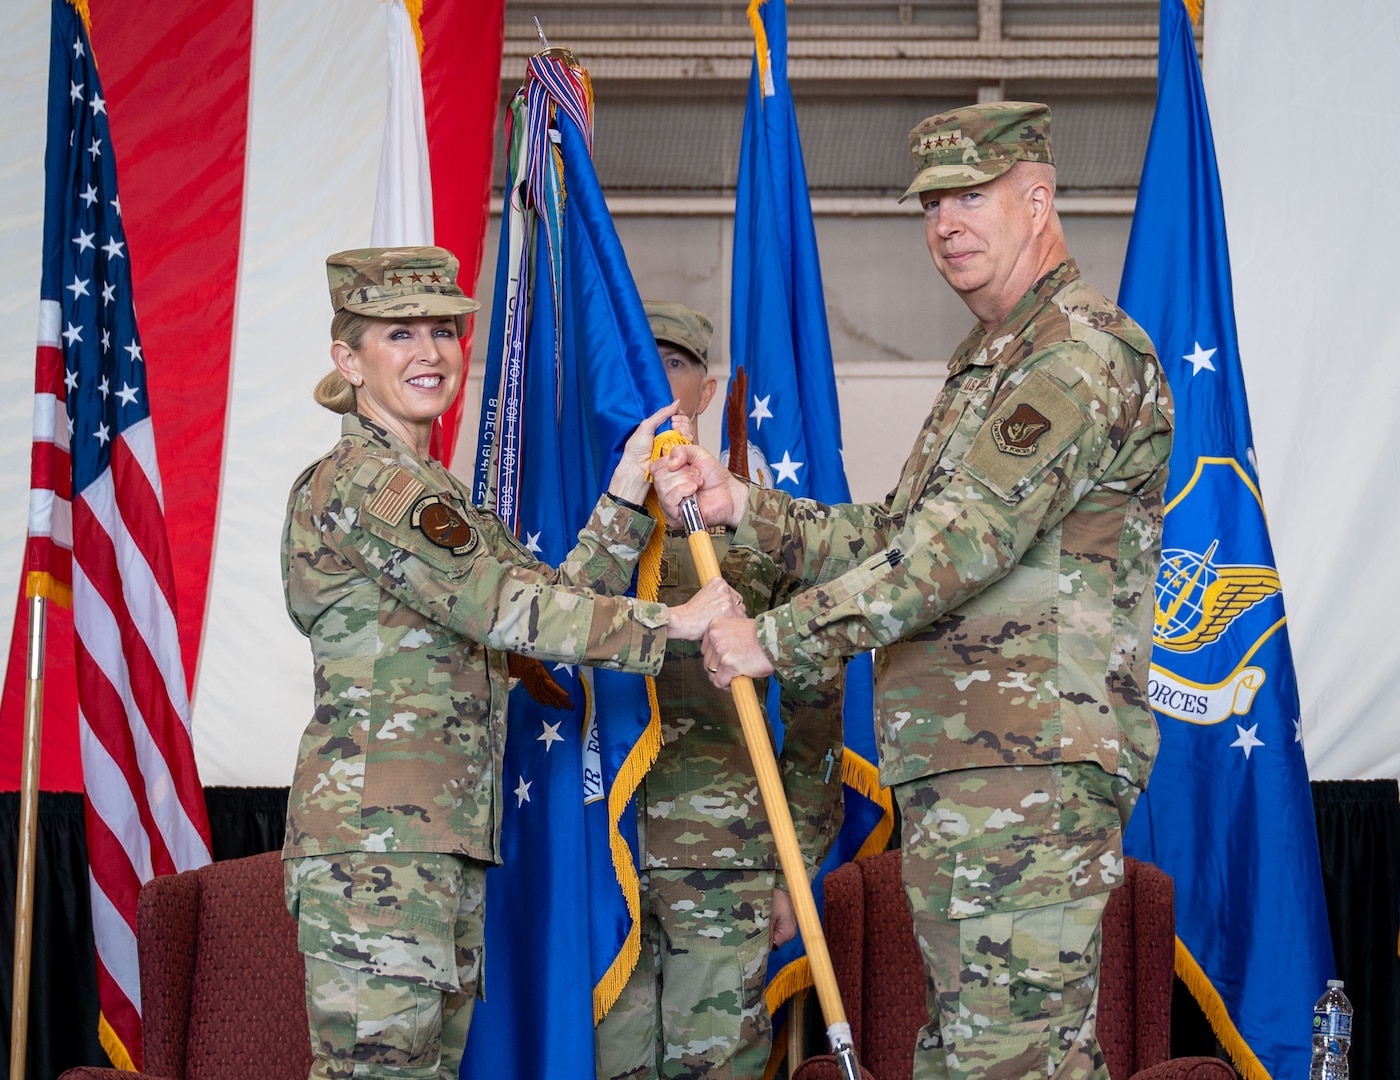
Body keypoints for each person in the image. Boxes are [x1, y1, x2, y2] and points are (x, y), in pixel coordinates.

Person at [655, 103, 1174, 1079]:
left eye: (970, 196)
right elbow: (898, 532)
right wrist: (742, 508)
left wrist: (782, 637)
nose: (944, 224)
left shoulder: (1075, 354)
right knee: (962, 1057)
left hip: (1027, 773)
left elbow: (960, 541)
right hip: (967, 768)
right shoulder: (990, 362)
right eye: (930, 204)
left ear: (1038, 197)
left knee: (1011, 1063)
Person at [280, 247, 741, 1080]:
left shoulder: (438, 496)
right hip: (380, 845)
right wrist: (673, 619)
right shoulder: (370, 485)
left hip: (437, 840)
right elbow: (503, 607)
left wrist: (626, 493)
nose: (430, 353)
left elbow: (547, 599)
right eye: (399, 334)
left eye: (444, 331)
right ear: (349, 359)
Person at [593, 302, 845, 1080]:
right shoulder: (591, 523)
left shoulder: (754, 530)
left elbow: (815, 710)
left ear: (704, 391)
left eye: (670, 364)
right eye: (638, 362)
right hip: (608, 856)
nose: (652, 379)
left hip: (724, 859)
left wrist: (792, 866)